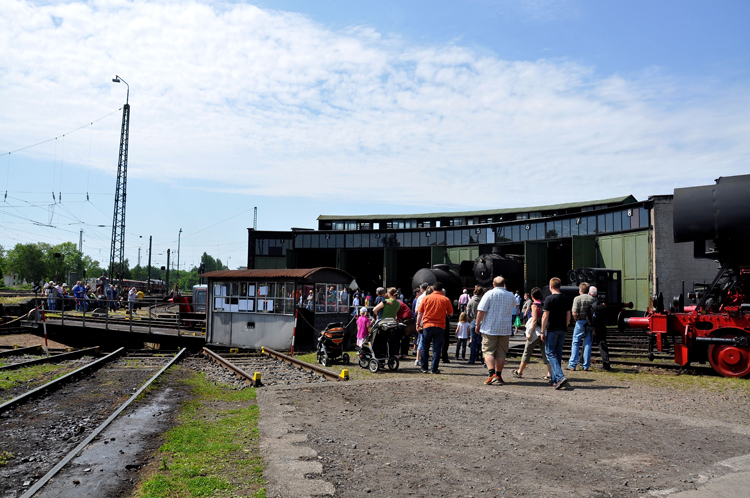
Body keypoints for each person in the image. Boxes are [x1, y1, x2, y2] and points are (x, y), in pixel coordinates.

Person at [475, 276, 516, 385]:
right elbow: (514, 305)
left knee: (488, 351)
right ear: (504, 284)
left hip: (490, 328)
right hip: (505, 329)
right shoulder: (510, 295)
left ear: (493, 284)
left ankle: (491, 374)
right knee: (501, 353)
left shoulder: (489, 294)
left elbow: (481, 311)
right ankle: (498, 375)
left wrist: (477, 324)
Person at [512, 287, 551, 379]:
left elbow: (534, 320)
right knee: (545, 353)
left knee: (527, 352)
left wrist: (529, 333)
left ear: (532, 296)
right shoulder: (544, 304)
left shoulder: (534, 305)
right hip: (543, 331)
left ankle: (519, 372)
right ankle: (549, 374)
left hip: (535, 331)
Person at [541, 277, 572, 389]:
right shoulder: (565, 298)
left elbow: (545, 316)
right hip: (562, 329)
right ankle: (555, 380)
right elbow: (569, 315)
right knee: (557, 354)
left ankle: (560, 376)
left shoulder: (549, 299)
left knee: (550, 353)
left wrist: (542, 331)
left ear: (551, 287)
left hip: (552, 329)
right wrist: (565, 325)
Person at [417, 282, 453, 374]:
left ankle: (424, 368)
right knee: (437, 348)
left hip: (427, 325)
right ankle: (434, 368)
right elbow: (451, 313)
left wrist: (418, 324)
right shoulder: (446, 299)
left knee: (425, 347)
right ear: (441, 290)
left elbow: (420, 312)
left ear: (433, 289)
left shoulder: (426, 298)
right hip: (440, 326)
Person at [568, 282, 596, 371]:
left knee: (576, 343)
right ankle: (586, 366)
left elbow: (574, 313)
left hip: (580, 322)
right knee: (588, 343)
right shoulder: (593, 299)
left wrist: (575, 319)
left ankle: (572, 365)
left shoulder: (577, 299)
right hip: (590, 323)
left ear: (580, 290)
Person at [589, 286, 611, 370]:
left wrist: (593, 328)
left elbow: (593, 317)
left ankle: (582, 361)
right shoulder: (602, 303)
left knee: (586, 344)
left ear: (590, 293)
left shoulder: (592, 304)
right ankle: (606, 363)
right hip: (602, 326)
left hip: (595, 327)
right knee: (602, 345)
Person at [466, 286, 484, 365]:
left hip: (474, 320)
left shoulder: (471, 301)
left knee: (473, 341)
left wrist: (469, 318)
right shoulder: (483, 300)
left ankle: (472, 359)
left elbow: (467, 311)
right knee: (483, 342)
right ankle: (484, 360)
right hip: (483, 322)